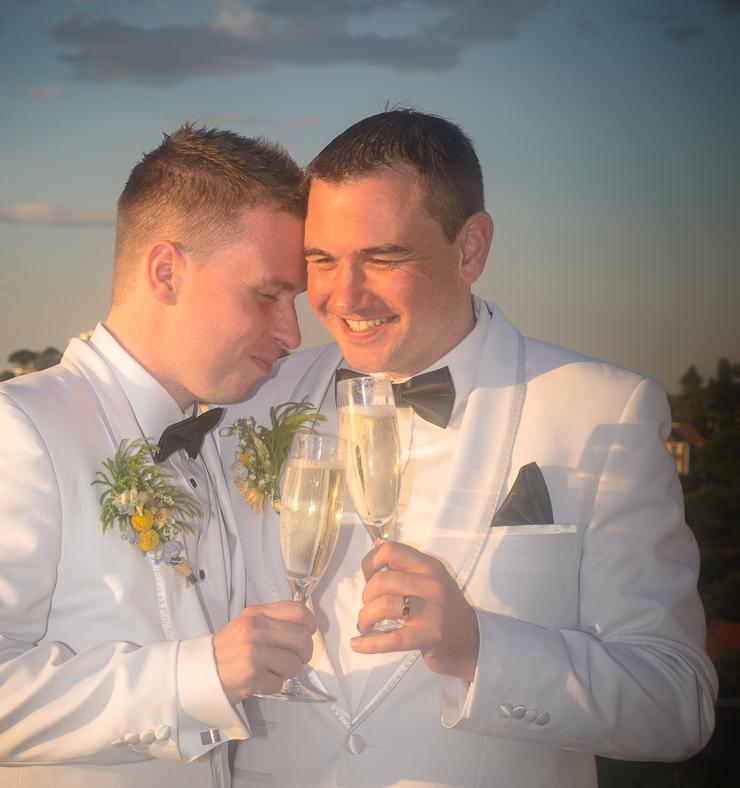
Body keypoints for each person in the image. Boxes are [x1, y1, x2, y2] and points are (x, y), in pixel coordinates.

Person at [220, 109, 718, 788]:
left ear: (471, 248)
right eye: (322, 260)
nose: (343, 295)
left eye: (384, 257)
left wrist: (478, 649)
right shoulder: (252, 400)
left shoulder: (605, 410)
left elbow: (676, 703)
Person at [0, 125, 317, 788]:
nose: (290, 333)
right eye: (266, 295)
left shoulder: (216, 444)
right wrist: (199, 674)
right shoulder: (10, 427)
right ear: (166, 271)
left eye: (294, 302)